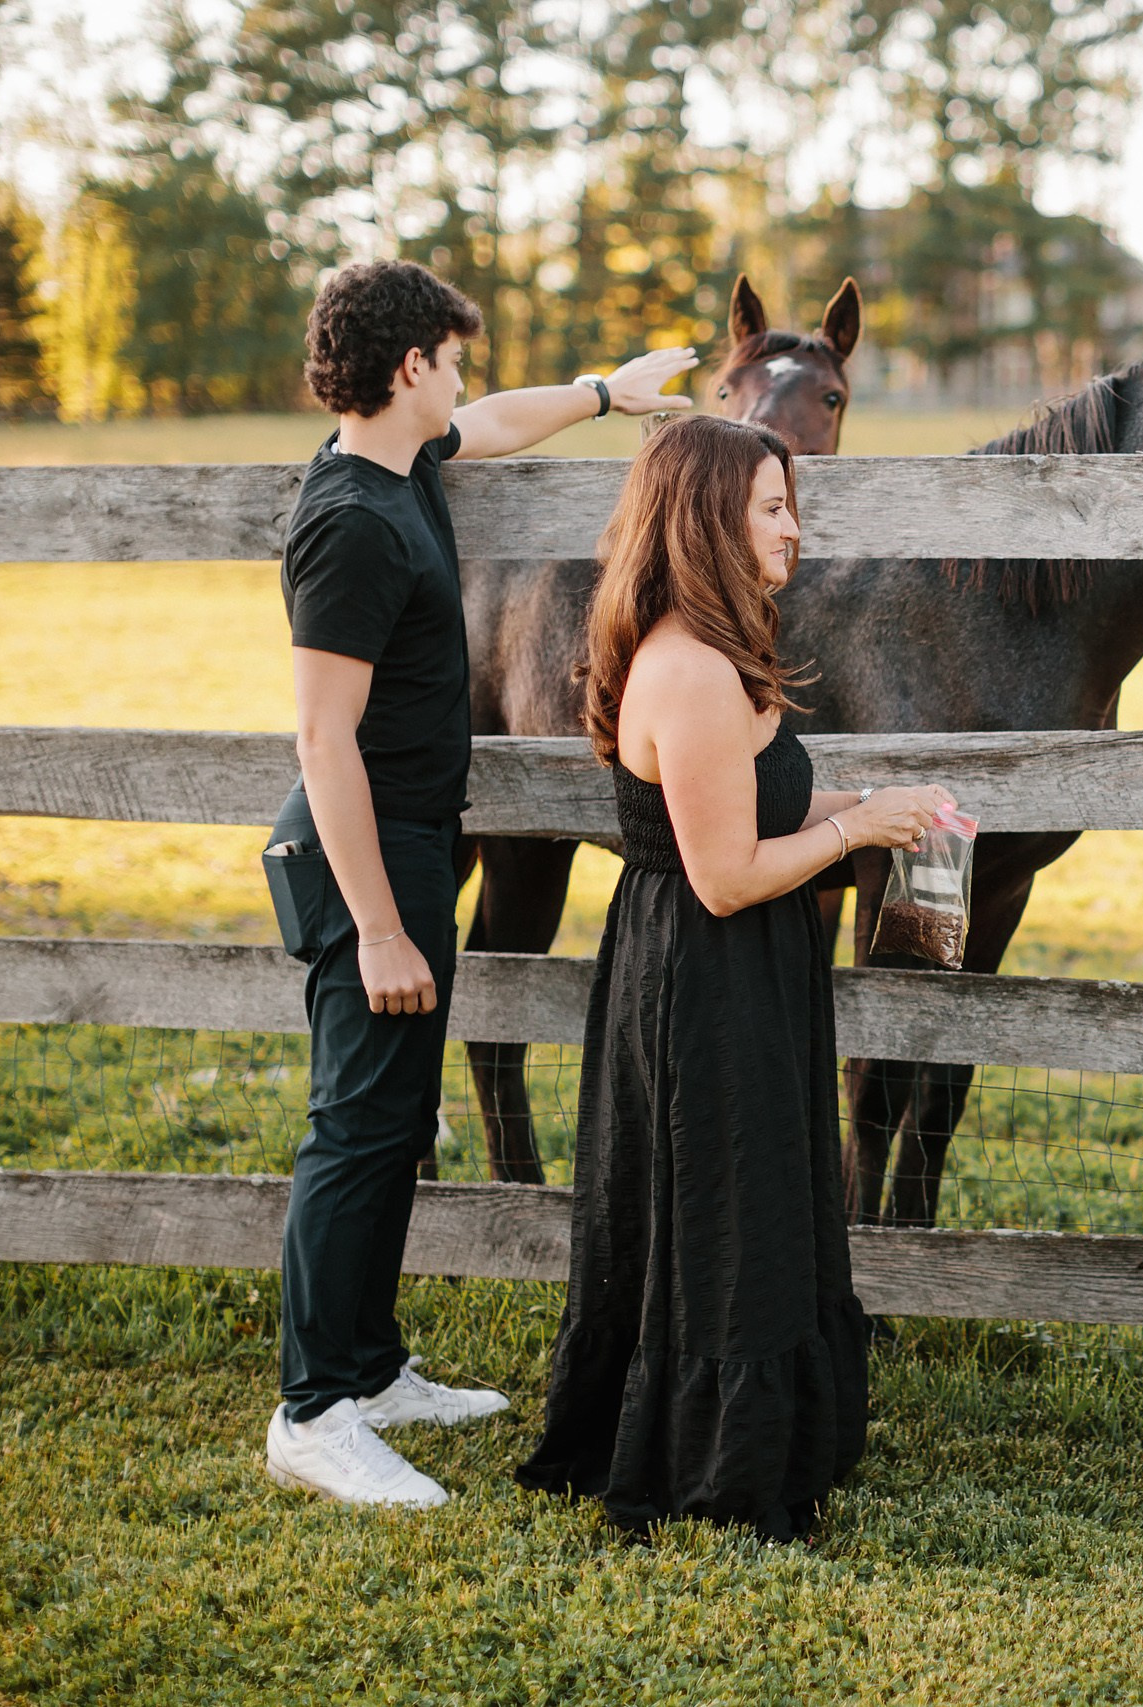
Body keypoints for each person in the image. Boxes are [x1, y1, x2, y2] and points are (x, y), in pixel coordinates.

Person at [263, 259, 698, 1509]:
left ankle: (368, 1366)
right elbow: (320, 740)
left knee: (395, 1119)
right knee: (353, 1129)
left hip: (403, 840)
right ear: (410, 368)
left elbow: (497, 422)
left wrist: (605, 396)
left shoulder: (402, 464)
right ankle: (311, 1410)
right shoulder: (347, 523)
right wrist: (382, 926)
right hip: (366, 859)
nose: (461, 382)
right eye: (450, 360)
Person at [514, 414, 950, 1541]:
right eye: (768, 505)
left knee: (753, 1198)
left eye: (788, 503)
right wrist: (853, 841)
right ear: (705, 518)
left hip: (741, 964)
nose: (791, 528)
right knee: (721, 1210)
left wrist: (869, 807)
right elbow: (723, 875)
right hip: (702, 974)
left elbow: (756, 809)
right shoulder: (689, 669)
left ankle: (757, 1438)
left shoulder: (719, 651)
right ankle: (713, 1461)